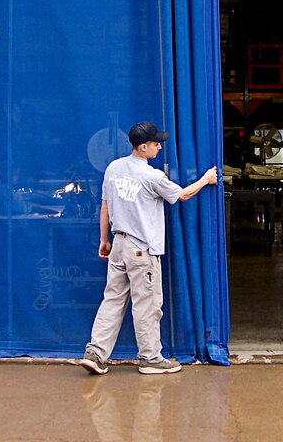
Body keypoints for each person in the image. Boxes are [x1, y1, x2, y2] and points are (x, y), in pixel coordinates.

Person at [80, 121, 218, 375]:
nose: (159, 147)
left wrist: (104, 240)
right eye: (156, 144)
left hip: (119, 244)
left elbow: (105, 206)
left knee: (112, 299)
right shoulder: (152, 175)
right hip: (142, 248)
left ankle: (96, 354)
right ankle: (150, 358)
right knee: (147, 304)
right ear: (143, 147)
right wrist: (206, 179)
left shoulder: (113, 169)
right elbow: (182, 195)